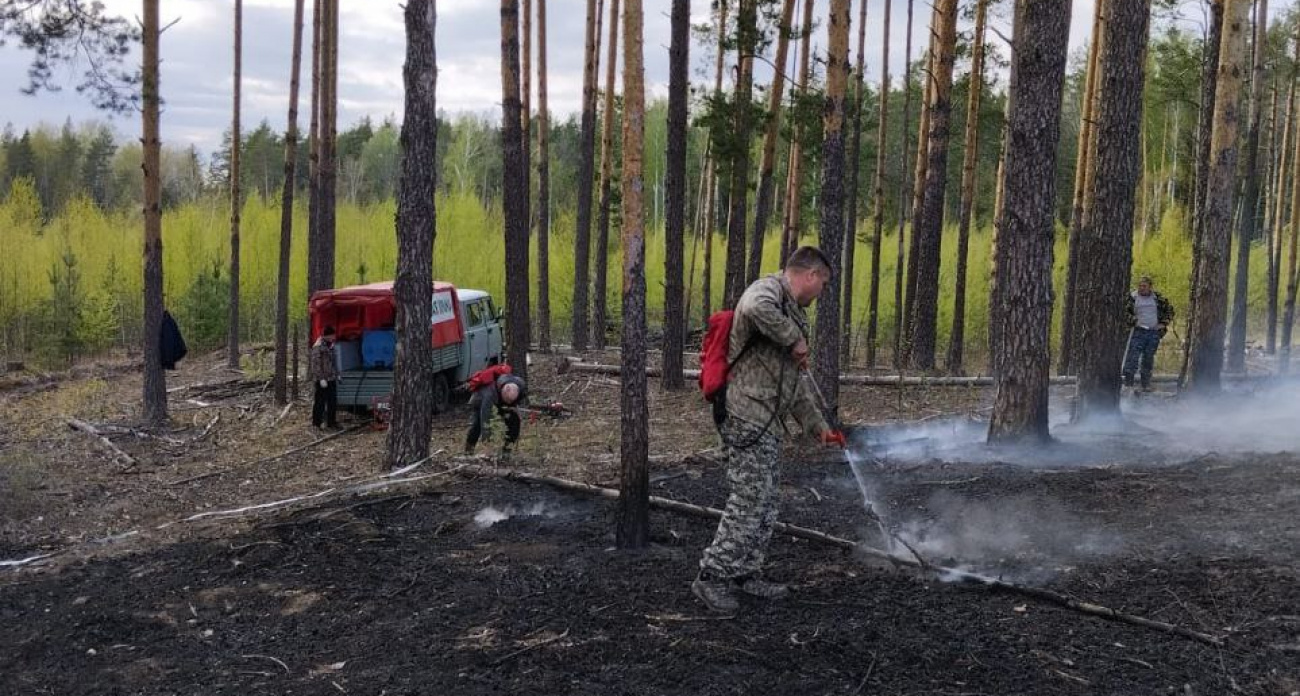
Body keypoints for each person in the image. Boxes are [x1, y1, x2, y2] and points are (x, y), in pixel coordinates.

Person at [692, 245, 847, 615]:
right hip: (745, 415)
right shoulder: (768, 291)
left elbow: (792, 386)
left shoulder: (791, 311)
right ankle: (711, 576)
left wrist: (818, 428)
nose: (821, 292)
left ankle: (746, 572)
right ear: (810, 275)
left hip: (767, 422)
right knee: (748, 499)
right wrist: (793, 337)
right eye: (822, 284)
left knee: (767, 501)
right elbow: (751, 307)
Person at [1123, 275, 1175, 391]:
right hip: (1137, 332)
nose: (1142, 288)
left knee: (1148, 358)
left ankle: (1145, 385)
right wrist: (1133, 321)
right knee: (1132, 358)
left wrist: (1163, 324)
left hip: (1153, 333)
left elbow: (1170, 311)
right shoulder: (1132, 297)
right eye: (1140, 286)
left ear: (1150, 287)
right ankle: (1128, 385)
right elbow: (1123, 312)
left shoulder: (1158, 299)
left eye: (1144, 286)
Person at [464, 363, 527, 455]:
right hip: (480, 402)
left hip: (500, 403)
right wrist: (487, 445)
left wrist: (514, 408)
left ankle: (507, 452)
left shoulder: (520, 386)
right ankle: (468, 452)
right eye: (507, 401)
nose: (509, 403)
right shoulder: (489, 394)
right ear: (502, 392)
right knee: (476, 426)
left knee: (514, 422)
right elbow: (485, 420)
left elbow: (520, 402)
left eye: (510, 402)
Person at [310, 326, 340, 429]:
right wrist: (321, 378)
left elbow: (333, 362)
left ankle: (331, 422)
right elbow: (315, 364)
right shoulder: (318, 346)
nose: (334, 337)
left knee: (332, 401)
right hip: (321, 380)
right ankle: (316, 423)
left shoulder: (331, 345)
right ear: (327, 335)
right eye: (332, 335)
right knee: (320, 402)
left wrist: (337, 374)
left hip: (331, 378)